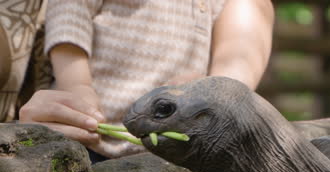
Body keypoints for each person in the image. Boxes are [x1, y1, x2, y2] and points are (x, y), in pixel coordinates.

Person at [19, 0, 274, 160]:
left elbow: (236, 61)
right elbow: (69, 20)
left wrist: (208, 91)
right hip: (95, 137)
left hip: (175, 148)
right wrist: (76, 85)